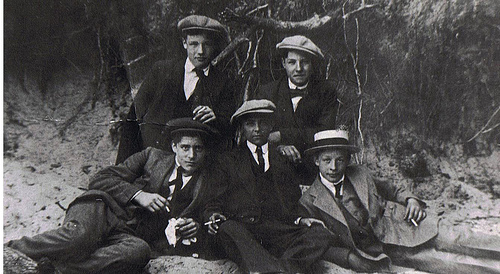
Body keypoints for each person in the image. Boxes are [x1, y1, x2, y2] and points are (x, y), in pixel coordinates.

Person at [6, 118, 220, 274]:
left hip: (130, 234)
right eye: (185, 147)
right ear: (174, 147)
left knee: (138, 252)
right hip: (102, 208)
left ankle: (60, 269)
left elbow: (205, 222)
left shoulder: (208, 183)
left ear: (205, 151)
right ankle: (11, 252)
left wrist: (195, 228)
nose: (191, 155)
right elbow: (101, 178)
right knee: (80, 237)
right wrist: (139, 194)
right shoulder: (151, 157)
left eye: (198, 149)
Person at [298, 128, 500, 273]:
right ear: (317, 161)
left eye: (339, 159)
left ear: (348, 160)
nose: (333, 167)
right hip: (382, 249)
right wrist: (350, 259)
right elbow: (317, 241)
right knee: (446, 264)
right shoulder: (310, 200)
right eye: (326, 160)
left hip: (405, 222)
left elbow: (393, 189)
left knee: (457, 238)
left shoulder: (360, 173)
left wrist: (412, 200)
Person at [203, 99, 334, 273]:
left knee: (321, 233)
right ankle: (277, 267)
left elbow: (293, 200)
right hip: (244, 231)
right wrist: (213, 215)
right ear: (242, 127)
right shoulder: (227, 160)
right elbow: (213, 203)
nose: (257, 129)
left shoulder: (283, 158)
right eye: (250, 124)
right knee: (227, 228)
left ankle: (275, 268)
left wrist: (300, 219)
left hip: (278, 231)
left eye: (263, 123)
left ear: (271, 125)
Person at [116, 15, 236, 164]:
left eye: (207, 44)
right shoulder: (161, 71)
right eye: (194, 44)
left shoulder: (223, 82)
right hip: (153, 159)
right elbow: (133, 119)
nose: (200, 51)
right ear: (184, 43)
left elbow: (230, 129)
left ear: (214, 46)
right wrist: (122, 167)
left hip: (195, 166)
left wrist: (216, 118)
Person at [257, 35, 338, 165]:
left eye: (304, 62)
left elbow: (323, 133)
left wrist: (282, 135)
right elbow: (260, 133)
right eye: (292, 62)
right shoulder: (268, 92)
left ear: (312, 64)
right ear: (284, 63)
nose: (299, 68)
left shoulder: (326, 92)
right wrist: (280, 147)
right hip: (274, 163)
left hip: (312, 163)